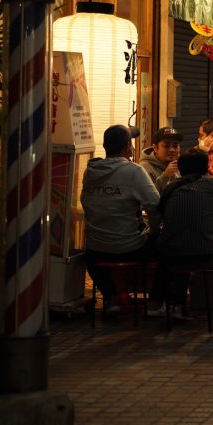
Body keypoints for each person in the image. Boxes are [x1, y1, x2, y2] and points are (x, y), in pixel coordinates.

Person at [149, 148, 213, 324]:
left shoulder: (170, 189)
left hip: (172, 257)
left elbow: (160, 215)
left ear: (180, 169)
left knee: (178, 241)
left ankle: (174, 304)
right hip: (208, 255)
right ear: (206, 167)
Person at [81, 124, 161, 315]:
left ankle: (111, 297)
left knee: (91, 253)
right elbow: (155, 206)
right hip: (131, 248)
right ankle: (157, 301)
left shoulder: (90, 171)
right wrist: (156, 230)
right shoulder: (134, 171)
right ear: (128, 147)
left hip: (95, 250)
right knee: (168, 247)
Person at [139, 126, 183, 193]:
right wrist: (165, 176)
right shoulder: (144, 168)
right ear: (155, 148)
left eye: (175, 146)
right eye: (166, 146)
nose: (172, 150)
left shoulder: (179, 164)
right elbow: (146, 197)